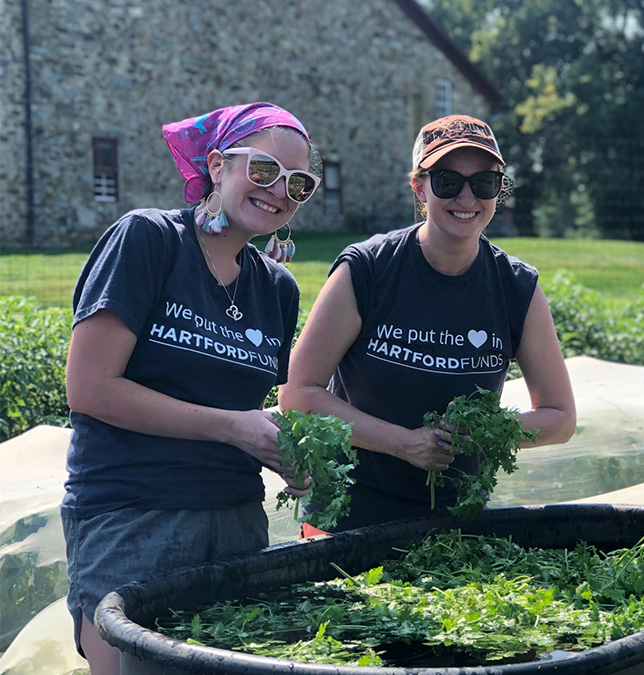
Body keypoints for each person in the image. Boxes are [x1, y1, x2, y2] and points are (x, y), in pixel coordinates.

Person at [62, 102, 319, 675]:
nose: (279, 190)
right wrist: (233, 426)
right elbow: (90, 387)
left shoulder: (276, 288)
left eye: (298, 183)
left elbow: (247, 412)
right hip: (131, 516)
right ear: (218, 165)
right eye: (262, 170)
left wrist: (284, 453)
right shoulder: (148, 241)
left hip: (235, 523)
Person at [279, 114, 576, 534]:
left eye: (484, 183)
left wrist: (482, 433)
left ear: (500, 190)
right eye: (448, 182)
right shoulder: (368, 269)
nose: (467, 197)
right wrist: (405, 443)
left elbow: (560, 418)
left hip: (457, 530)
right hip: (346, 520)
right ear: (419, 186)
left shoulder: (516, 286)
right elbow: (297, 393)